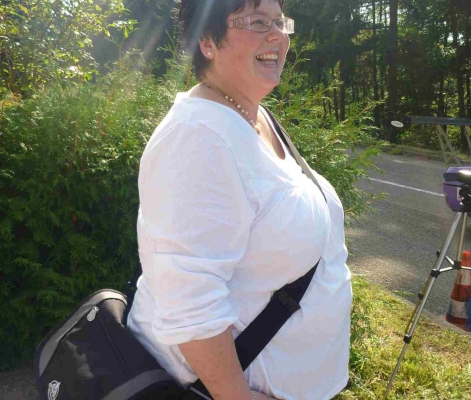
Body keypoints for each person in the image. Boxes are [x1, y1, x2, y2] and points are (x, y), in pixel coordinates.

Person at [127, 0, 352, 399]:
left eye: (280, 21)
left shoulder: (253, 116)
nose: (278, 35)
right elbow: (189, 305)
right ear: (208, 41)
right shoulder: (197, 137)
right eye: (258, 21)